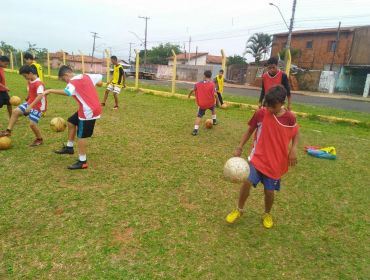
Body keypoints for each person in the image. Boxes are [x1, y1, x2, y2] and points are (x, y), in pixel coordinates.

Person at [226, 85, 299, 229]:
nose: (269, 108)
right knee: (247, 181)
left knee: (269, 192)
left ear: (281, 103)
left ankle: (267, 213)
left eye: (273, 106)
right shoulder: (260, 113)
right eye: (267, 104)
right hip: (257, 158)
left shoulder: (290, 117)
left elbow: (296, 132)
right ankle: (239, 209)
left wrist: (294, 149)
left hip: (275, 162)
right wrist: (240, 146)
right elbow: (250, 130)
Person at [43, 65, 102, 170]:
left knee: (81, 136)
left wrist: (50, 90)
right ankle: (69, 147)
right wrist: (98, 83)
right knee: (71, 122)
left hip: (88, 110)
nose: (65, 82)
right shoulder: (86, 75)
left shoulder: (73, 81)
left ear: (67, 74)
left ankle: (82, 161)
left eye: (63, 79)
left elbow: (67, 92)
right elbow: (100, 77)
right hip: (87, 107)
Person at [0, 65, 46, 146]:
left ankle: (39, 139)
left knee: (32, 124)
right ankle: (8, 131)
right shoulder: (30, 80)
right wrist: (28, 97)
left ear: (31, 73)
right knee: (15, 112)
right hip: (30, 102)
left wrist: (30, 106)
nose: (25, 78)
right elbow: (32, 91)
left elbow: (40, 96)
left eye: (25, 76)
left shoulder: (39, 83)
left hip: (38, 106)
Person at [188, 70, 218, 136]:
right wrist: (217, 102)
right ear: (210, 76)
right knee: (213, 108)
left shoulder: (198, 84)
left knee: (199, 116)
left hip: (202, 104)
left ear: (204, 75)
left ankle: (195, 130)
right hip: (210, 103)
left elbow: (192, 90)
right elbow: (215, 95)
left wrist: (189, 96)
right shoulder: (212, 84)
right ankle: (214, 120)